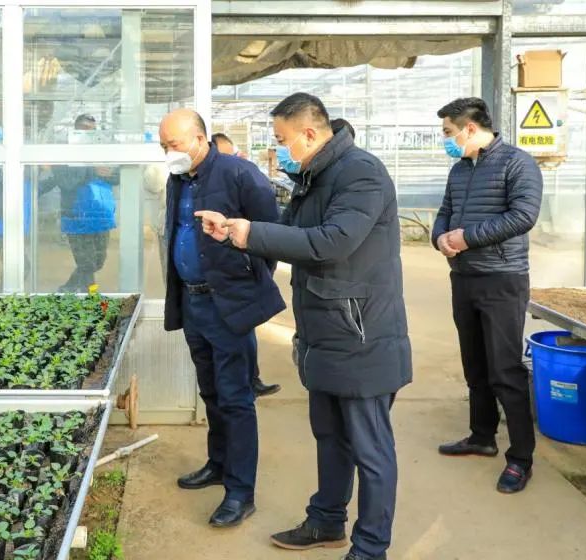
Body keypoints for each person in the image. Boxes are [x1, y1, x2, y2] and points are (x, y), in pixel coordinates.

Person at [197, 93, 412, 560]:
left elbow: (333, 242)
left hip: (361, 334)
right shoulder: (314, 177)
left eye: (282, 139)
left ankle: (370, 548)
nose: (279, 149)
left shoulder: (361, 173)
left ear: (310, 134)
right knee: (330, 436)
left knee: (370, 449)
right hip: (324, 331)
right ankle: (326, 521)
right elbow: (290, 232)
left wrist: (251, 233)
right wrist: (235, 231)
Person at [160, 108, 285, 528]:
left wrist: (246, 284)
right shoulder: (179, 179)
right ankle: (218, 464)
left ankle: (240, 492)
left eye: (174, 145)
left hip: (227, 304)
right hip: (193, 301)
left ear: (199, 139)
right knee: (211, 391)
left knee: (235, 398)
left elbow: (270, 234)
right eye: (163, 146)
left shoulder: (239, 174)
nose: (168, 153)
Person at [432, 97, 543, 494]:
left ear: (470, 128)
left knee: (505, 371)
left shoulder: (517, 163)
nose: (446, 140)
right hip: (464, 278)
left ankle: (521, 459)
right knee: (475, 365)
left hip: (502, 279)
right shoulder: (460, 169)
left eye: (448, 132)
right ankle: (481, 436)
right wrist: (439, 238)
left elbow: (523, 215)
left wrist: (468, 238)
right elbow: (444, 212)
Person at [211, 132, 283, 398]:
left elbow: (268, 224)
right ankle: (243, 382)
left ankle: (250, 380)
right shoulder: (200, 182)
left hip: (241, 269)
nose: (230, 160)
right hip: (218, 276)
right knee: (232, 334)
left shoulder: (244, 174)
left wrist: (263, 267)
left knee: (242, 327)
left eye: (232, 154)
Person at [39, 114, 117, 292]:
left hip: (100, 216)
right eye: (84, 129)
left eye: (92, 130)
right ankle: (91, 296)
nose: (88, 134)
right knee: (87, 264)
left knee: (98, 262)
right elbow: (67, 182)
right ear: (75, 130)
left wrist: (110, 173)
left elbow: (117, 177)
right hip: (76, 217)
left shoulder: (102, 152)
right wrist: (92, 169)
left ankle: (67, 289)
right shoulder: (64, 154)